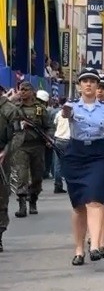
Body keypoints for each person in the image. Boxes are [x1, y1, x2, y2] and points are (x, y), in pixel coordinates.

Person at [61, 68, 104, 265]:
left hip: (101, 155)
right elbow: (65, 114)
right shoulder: (72, 105)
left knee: (95, 200)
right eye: (85, 81)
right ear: (79, 86)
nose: (88, 84)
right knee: (79, 205)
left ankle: (96, 244)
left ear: (98, 86)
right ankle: (79, 249)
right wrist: (66, 112)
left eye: (92, 81)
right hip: (77, 155)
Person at [11, 81, 49, 217]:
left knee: (37, 176)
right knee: (22, 176)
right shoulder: (15, 108)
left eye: (26, 89)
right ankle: (22, 205)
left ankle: (33, 200)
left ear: (32, 92)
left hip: (37, 146)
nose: (23, 92)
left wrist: (49, 138)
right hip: (21, 146)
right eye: (21, 89)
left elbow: (48, 126)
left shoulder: (40, 109)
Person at [0, 89, 20, 252]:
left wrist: (6, 153)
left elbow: (18, 134)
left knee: (1, 197)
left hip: (2, 158)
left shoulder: (10, 110)